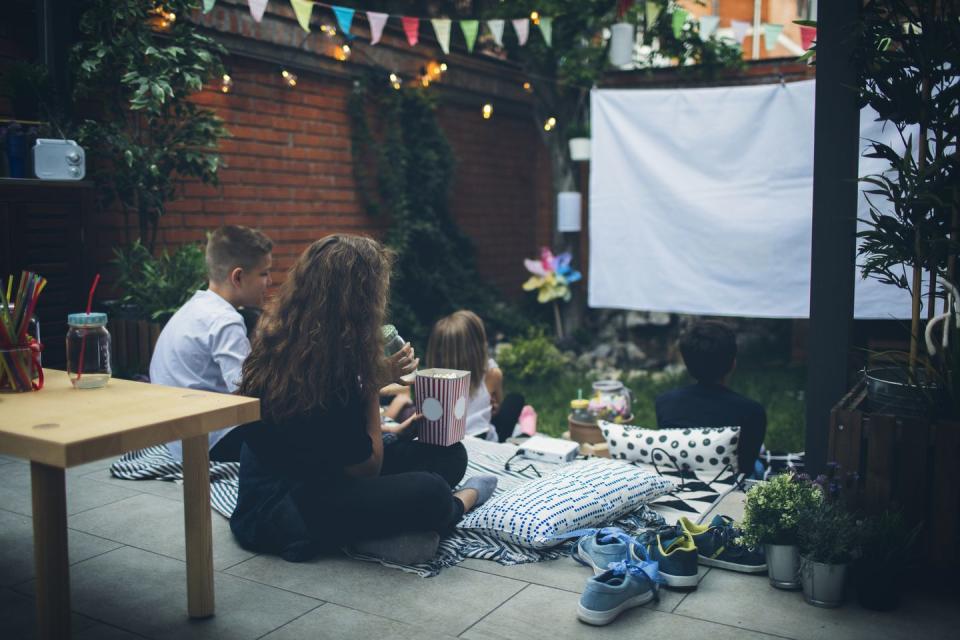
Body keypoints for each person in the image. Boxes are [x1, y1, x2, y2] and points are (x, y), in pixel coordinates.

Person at [230, 235, 497, 562]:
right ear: (358, 300)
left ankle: (381, 530)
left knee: (450, 455)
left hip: (322, 472)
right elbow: (367, 468)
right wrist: (371, 382)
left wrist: (392, 433)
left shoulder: (293, 334)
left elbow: (325, 442)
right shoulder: (325, 363)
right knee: (431, 491)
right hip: (285, 506)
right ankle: (462, 502)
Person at [149, 225, 273, 462]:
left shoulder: (197, 306)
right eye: (264, 273)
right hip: (208, 443)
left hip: (175, 437)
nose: (270, 281)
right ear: (238, 277)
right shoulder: (225, 320)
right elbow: (248, 392)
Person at [655, 320, 766, 475]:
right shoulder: (752, 411)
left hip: (682, 478)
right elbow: (746, 467)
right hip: (731, 487)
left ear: (687, 365)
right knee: (759, 464)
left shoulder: (664, 402)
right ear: (733, 363)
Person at [421, 310, 524, 443]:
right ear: (478, 344)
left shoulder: (430, 382)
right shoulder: (492, 374)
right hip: (481, 438)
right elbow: (496, 410)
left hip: (444, 440)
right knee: (515, 400)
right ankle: (526, 429)